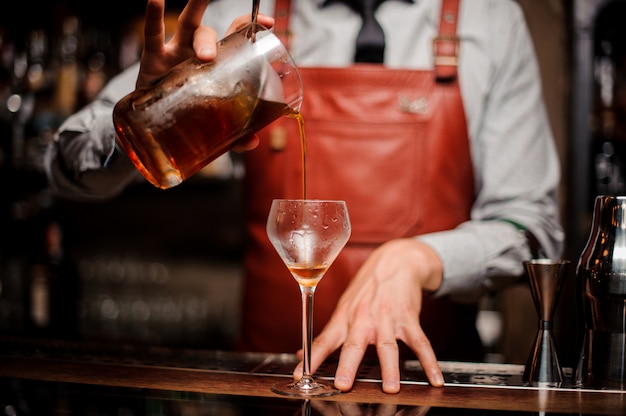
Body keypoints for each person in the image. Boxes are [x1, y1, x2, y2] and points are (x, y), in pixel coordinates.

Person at [45, 0, 564, 394]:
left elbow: (533, 228)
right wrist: (143, 117)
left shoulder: (491, 18)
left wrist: (421, 257)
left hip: (430, 389)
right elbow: (64, 167)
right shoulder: (244, 20)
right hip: (270, 382)